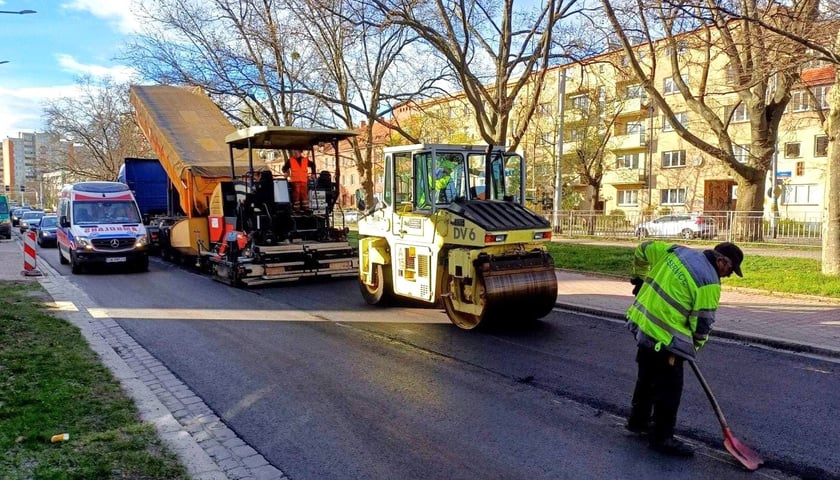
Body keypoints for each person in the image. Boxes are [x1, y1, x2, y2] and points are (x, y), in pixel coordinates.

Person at [625, 240, 744, 457]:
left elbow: (642, 248)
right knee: (670, 389)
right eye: (730, 269)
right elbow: (702, 326)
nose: (728, 275)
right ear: (720, 260)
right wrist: (692, 349)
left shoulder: (676, 251)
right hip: (665, 339)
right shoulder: (708, 282)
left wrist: (639, 276)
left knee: (647, 375)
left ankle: (638, 421)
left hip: (642, 326)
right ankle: (662, 438)